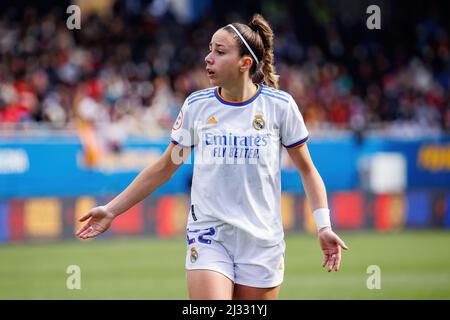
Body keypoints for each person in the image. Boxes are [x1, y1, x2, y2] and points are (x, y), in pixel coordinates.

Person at [76, 13, 348, 300]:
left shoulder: (279, 107)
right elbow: (166, 166)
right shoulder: (197, 107)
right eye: (209, 49)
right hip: (208, 236)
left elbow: (307, 170)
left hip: (262, 241)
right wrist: (113, 209)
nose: (208, 58)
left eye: (220, 52)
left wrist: (324, 226)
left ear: (245, 63)